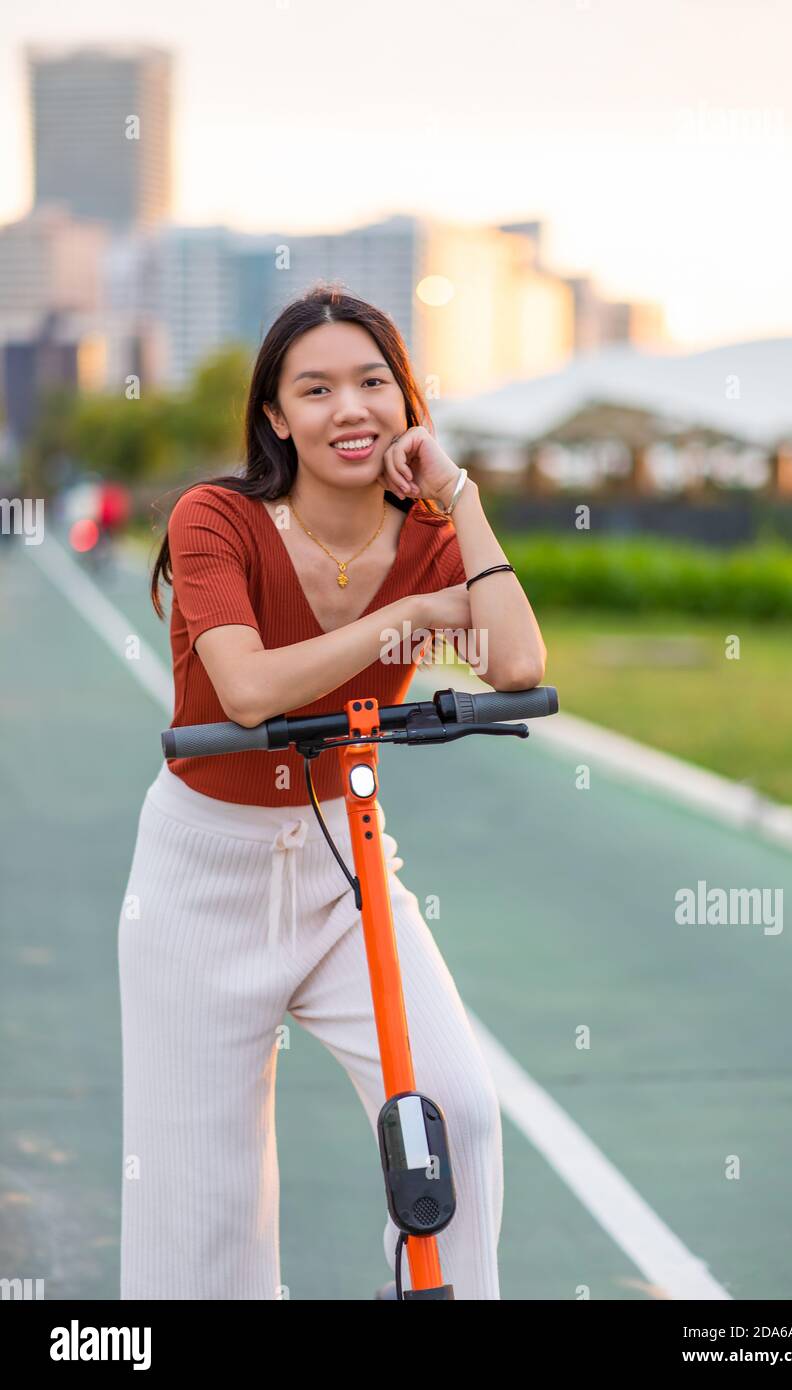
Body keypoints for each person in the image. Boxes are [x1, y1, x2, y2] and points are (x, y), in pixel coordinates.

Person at [117, 282, 547, 1301]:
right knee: (205, 1207)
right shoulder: (213, 518)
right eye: (315, 389)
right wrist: (415, 620)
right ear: (275, 415)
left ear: (408, 402)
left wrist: (463, 498)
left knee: (454, 1112)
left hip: (343, 869)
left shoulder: (432, 537)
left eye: (373, 383)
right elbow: (252, 687)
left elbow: (520, 662)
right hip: (199, 879)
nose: (348, 409)